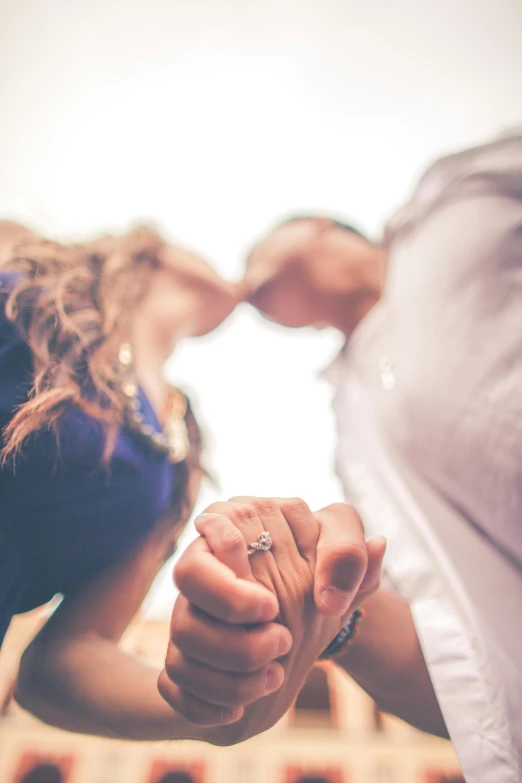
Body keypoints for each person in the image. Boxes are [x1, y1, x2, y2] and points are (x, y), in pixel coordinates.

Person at [161, 129, 522, 782]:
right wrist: (331, 613)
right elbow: (473, 681)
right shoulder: (352, 437)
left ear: (320, 227)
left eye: (258, 250)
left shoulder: (456, 203)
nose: (247, 275)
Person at [0, 220, 241, 739]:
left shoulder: (179, 446)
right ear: (157, 252)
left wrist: (215, 706)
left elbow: (73, 654)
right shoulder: (25, 275)